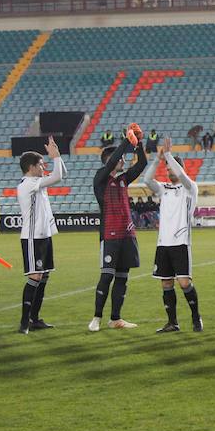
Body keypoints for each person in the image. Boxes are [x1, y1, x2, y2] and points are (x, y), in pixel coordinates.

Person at [89, 125, 147, 332]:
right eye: (121, 158)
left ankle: (116, 318)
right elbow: (113, 160)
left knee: (123, 277)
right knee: (107, 276)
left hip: (127, 234)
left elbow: (143, 164)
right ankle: (96, 317)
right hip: (109, 235)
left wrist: (138, 143)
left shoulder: (123, 179)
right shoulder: (100, 179)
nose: (123, 161)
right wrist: (126, 141)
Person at [142, 138, 203, 333]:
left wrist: (168, 155)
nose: (169, 171)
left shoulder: (190, 188)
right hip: (163, 244)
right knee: (166, 283)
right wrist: (158, 160)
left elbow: (182, 176)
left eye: (172, 168)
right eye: (167, 168)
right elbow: (146, 180)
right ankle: (172, 322)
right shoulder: (163, 189)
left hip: (181, 242)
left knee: (184, 282)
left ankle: (196, 318)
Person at [16, 137, 67, 334]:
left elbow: (61, 173)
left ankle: (34, 319)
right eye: (40, 164)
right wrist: (55, 157)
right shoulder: (28, 183)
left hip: (45, 236)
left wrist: (57, 157)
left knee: (44, 277)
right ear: (31, 167)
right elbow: (57, 177)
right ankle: (24, 322)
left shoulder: (37, 182)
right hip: (32, 238)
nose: (44, 167)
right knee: (35, 276)